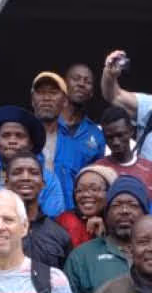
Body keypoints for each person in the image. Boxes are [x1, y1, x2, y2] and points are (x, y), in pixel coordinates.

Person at [66, 176, 147, 293]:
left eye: (133, 205)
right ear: (106, 213)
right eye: (116, 205)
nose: (124, 210)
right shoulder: (82, 256)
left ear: (145, 213)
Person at [0, 105, 68, 219]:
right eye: (6, 136)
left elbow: (52, 222)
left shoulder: (49, 180)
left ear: (31, 144)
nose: (12, 141)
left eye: (19, 136)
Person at [31, 71, 104, 213]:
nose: (46, 98)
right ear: (32, 99)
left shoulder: (73, 143)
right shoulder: (18, 137)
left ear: (64, 101)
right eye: (40, 92)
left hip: (66, 219)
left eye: (53, 93)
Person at [0, 152, 72, 269]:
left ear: (43, 184)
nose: (26, 177)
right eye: (17, 172)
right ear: (6, 183)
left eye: (34, 173)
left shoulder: (60, 235)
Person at [93, 107, 152, 196]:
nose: (115, 142)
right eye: (110, 137)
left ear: (131, 131)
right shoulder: (97, 170)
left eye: (120, 135)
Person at [57, 165, 116, 249]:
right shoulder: (68, 221)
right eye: (80, 190)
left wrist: (102, 237)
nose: (85, 194)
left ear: (110, 192)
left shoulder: (117, 224)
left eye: (94, 189)